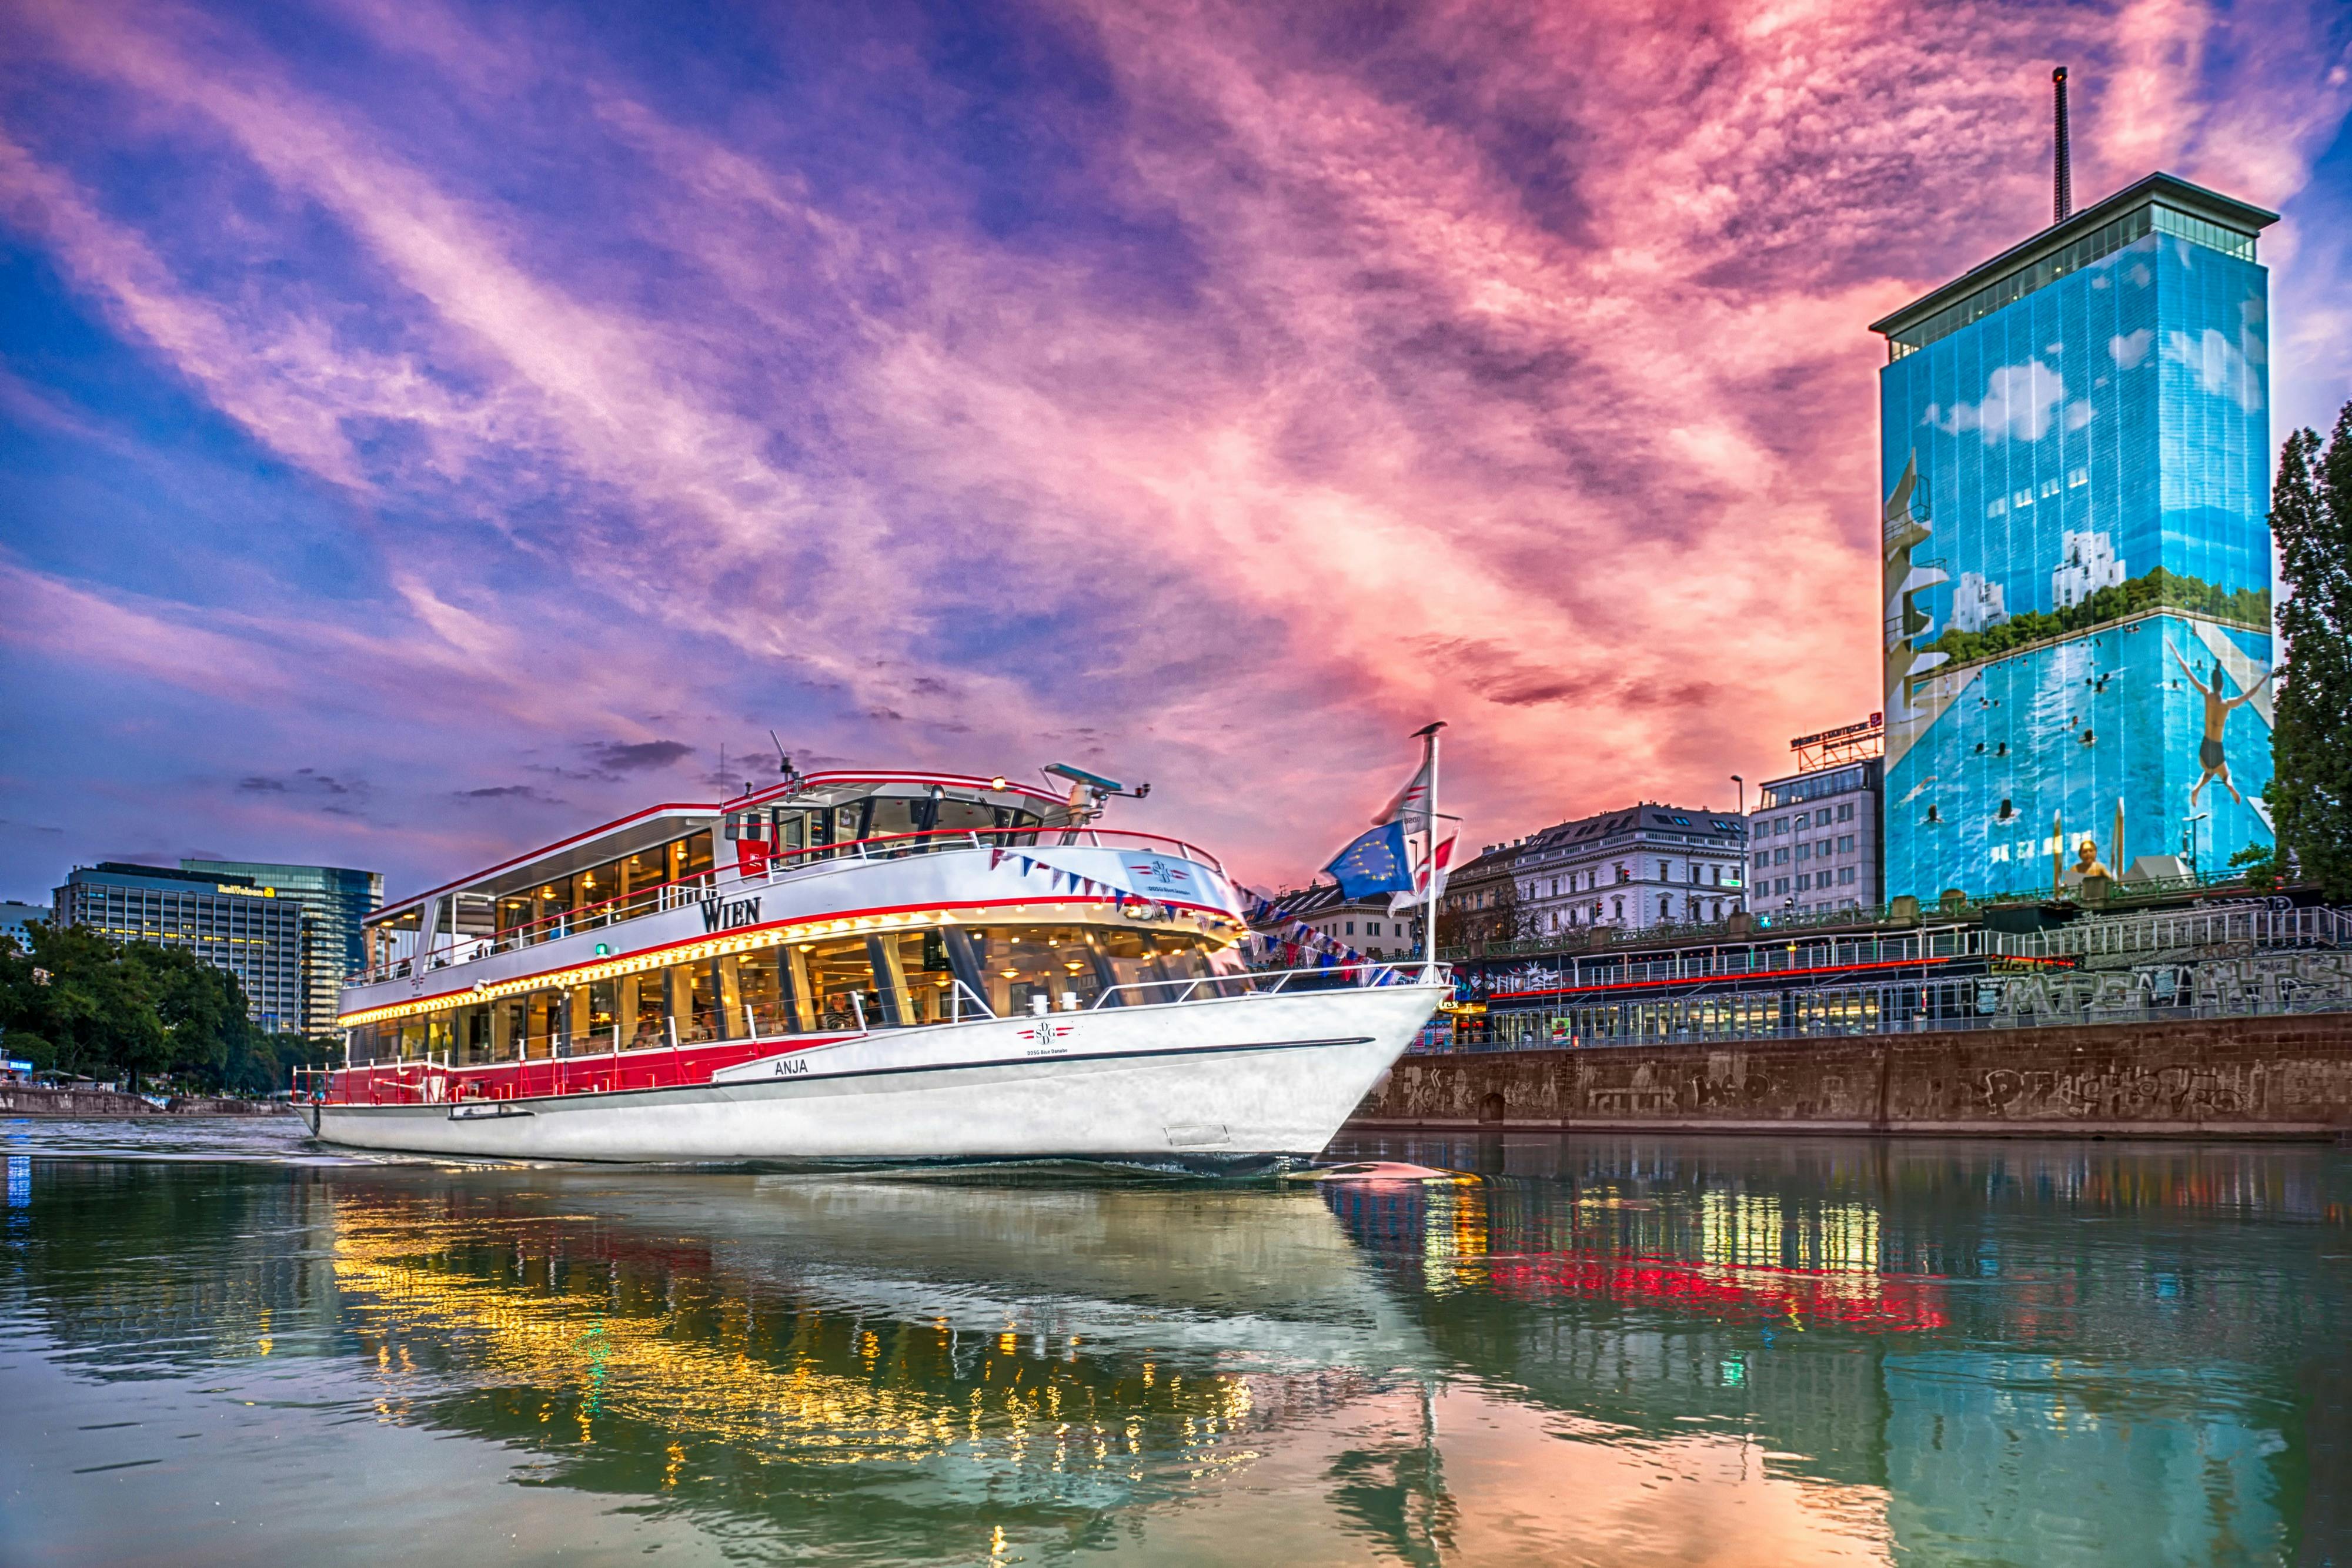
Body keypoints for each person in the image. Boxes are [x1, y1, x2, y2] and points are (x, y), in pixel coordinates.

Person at [2170, 642, 2271, 807]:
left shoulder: (2206, 694)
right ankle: (2230, 785)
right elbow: (2248, 695)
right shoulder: (2227, 704)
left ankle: (2196, 790)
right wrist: (2263, 680)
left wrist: (2174, 650)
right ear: (2223, 685)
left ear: (2212, 683)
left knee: (2209, 772)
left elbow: (2188, 673)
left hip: (2204, 746)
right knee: (2225, 775)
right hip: (2217, 748)